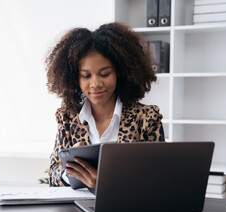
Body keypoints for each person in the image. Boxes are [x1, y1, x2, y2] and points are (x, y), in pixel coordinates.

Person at [45, 22, 165, 188]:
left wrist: (105, 183)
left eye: (104, 74)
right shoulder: (67, 118)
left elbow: (159, 175)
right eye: (86, 76)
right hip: (77, 211)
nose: (95, 84)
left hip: (128, 210)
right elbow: (53, 172)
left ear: (120, 72)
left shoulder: (146, 118)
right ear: (75, 78)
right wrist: (71, 173)